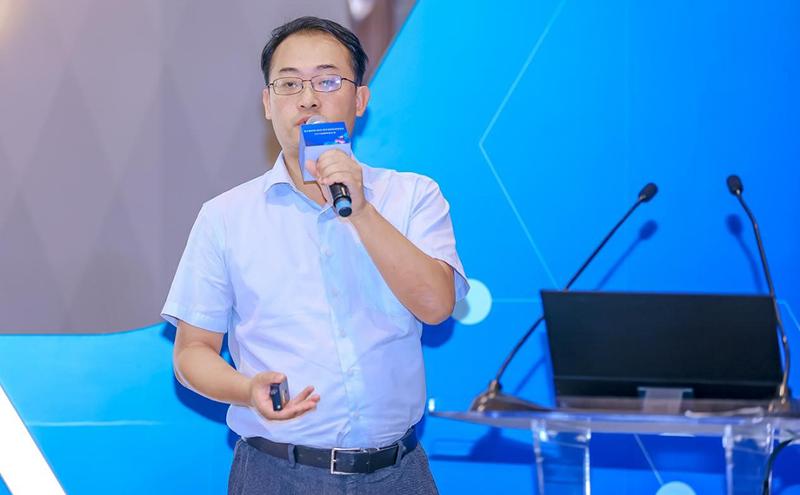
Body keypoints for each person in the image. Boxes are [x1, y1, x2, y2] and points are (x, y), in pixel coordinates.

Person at [162, 16, 468, 494]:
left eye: (327, 81)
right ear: (268, 104)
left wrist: (360, 209)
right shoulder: (226, 217)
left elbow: (436, 305)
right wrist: (246, 390)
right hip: (275, 473)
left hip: (398, 473)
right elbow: (191, 352)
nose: (307, 99)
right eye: (289, 84)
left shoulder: (412, 196)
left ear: (360, 99)